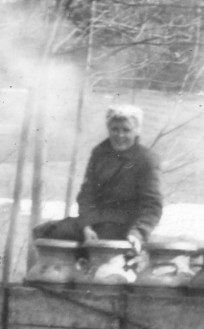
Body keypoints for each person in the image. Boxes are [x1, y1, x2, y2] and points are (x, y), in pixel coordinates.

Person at [34, 105, 164, 250]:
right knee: (43, 232)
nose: (120, 135)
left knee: (98, 246)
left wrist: (138, 233)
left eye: (126, 130)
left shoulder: (146, 159)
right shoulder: (99, 153)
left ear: (136, 132)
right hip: (94, 222)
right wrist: (86, 226)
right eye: (115, 129)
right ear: (108, 129)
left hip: (124, 227)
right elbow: (87, 194)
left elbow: (152, 206)